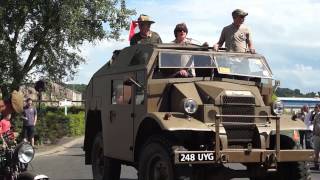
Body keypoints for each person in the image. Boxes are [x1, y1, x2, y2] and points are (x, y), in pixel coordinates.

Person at [311, 104, 320, 170]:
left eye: (316, 107)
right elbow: (315, 125)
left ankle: (316, 165)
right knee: (316, 151)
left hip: (318, 135)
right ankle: (316, 165)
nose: (315, 108)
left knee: (316, 151)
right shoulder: (316, 115)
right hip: (316, 135)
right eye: (315, 107)